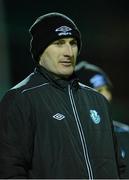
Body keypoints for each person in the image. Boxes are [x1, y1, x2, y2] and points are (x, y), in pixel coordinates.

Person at [0, 12, 121, 179]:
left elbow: (120, 166)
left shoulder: (98, 101)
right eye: (59, 43)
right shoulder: (20, 98)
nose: (68, 52)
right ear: (40, 50)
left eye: (73, 43)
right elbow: (9, 170)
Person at [75, 60, 129, 178]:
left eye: (107, 89)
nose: (107, 96)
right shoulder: (68, 138)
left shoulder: (126, 135)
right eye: (99, 91)